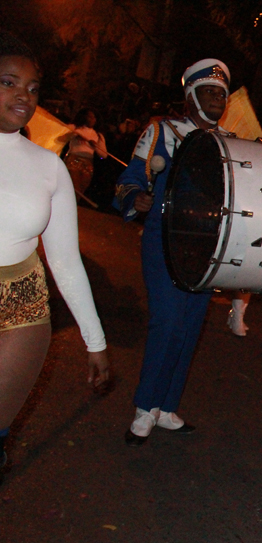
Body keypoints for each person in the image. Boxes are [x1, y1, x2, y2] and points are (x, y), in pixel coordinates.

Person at [0, 30, 110, 481]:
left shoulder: (49, 167)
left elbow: (64, 260)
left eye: (32, 88)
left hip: (22, 300)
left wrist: (96, 341)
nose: (23, 96)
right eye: (9, 82)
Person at [114, 58, 231, 446]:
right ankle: (145, 407)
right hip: (163, 241)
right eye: (209, 91)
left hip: (205, 248)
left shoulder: (231, 142)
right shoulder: (162, 132)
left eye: (221, 93)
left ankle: (166, 407)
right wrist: (138, 199)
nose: (216, 98)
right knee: (166, 322)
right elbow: (130, 179)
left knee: (190, 327)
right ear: (191, 95)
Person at [63, 108, 108, 196]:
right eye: (89, 117)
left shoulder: (98, 135)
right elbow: (62, 138)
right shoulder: (74, 128)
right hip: (73, 160)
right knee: (73, 187)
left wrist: (96, 146)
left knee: (81, 189)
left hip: (88, 164)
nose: (92, 119)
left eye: (94, 117)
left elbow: (104, 155)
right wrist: (74, 134)